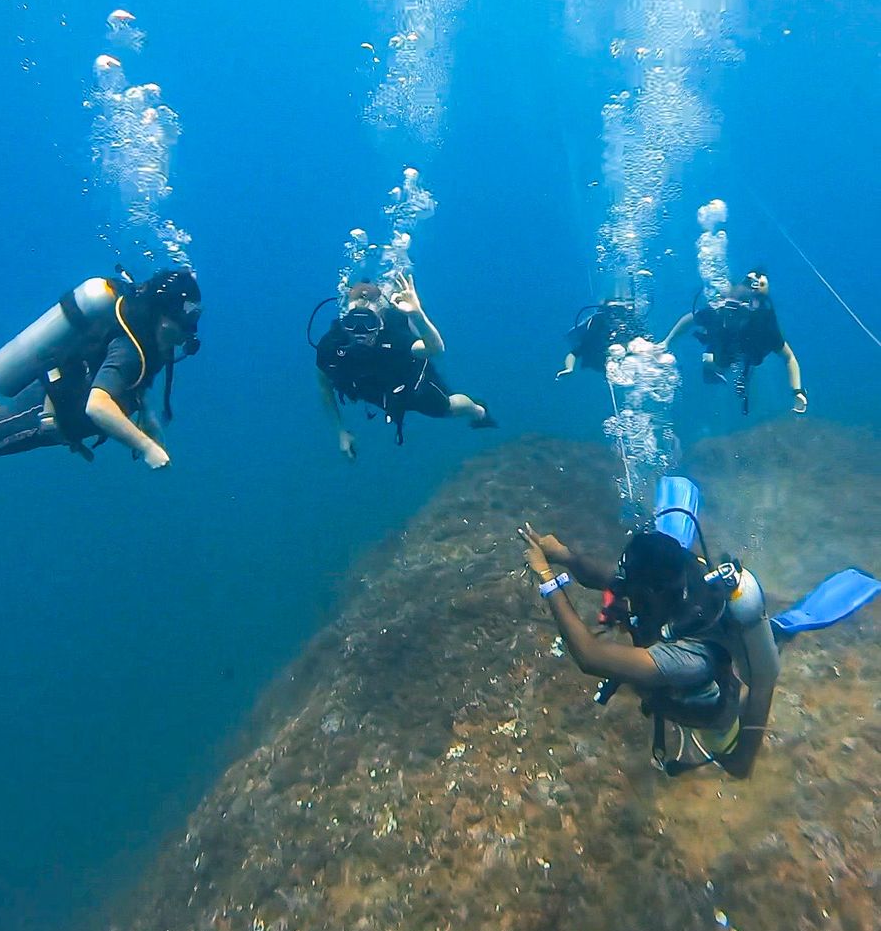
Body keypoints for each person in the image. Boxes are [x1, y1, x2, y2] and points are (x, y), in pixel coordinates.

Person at [518, 516, 779, 779]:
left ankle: (756, 691)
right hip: (681, 674)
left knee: (732, 761)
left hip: (711, 711)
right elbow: (610, 578)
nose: (626, 590)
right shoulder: (676, 574)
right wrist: (564, 555)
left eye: (633, 588)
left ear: (651, 592)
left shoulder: (688, 657)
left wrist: (547, 578)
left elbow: (588, 656)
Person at [0, 269, 202, 468]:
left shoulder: (154, 343)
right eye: (183, 322)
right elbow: (97, 406)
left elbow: (133, 382)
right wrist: (147, 448)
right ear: (159, 315)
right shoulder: (130, 349)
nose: (187, 334)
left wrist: (148, 418)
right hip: (38, 410)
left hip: (54, 411)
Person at [315, 273, 495, 459]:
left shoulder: (395, 335)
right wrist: (341, 432)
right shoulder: (331, 346)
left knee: (449, 407)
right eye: (353, 324)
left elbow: (436, 349)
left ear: (379, 321)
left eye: (368, 324)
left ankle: (478, 412)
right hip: (374, 391)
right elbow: (324, 386)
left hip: (411, 383)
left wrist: (417, 315)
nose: (361, 335)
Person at [657, 271, 806, 415]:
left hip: (750, 353)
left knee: (745, 371)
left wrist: (797, 392)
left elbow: (789, 357)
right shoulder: (721, 314)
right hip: (724, 352)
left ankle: (739, 379)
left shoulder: (764, 326)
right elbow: (690, 319)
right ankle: (718, 372)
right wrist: (666, 342)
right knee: (712, 363)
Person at [556, 299, 645, 379]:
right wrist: (569, 368)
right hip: (603, 359)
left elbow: (574, 353)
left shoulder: (628, 329)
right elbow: (574, 353)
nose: (616, 321)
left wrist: (569, 368)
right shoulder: (594, 338)